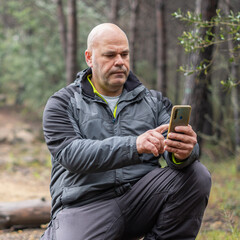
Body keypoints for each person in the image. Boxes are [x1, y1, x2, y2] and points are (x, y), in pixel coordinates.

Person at [41, 23, 211, 240]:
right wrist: (134, 145)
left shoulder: (154, 102)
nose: (119, 61)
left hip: (141, 198)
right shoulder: (62, 103)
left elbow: (176, 150)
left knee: (197, 175)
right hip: (85, 204)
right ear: (89, 58)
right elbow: (71, 154)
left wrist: (184, 151)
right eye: (110, 55)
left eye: (124, 54)